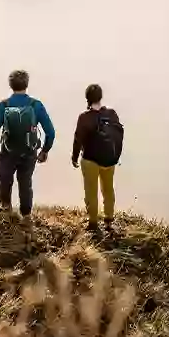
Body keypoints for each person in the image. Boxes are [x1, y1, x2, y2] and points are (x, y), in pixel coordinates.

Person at [0, 70, 55, 218]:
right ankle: (26, 216)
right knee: (25, 184)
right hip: (29, 152)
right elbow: (50, 132)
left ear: (11, 85)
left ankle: (6, 211)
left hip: (7, 151)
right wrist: (44, 150)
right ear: (27, 84)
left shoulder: (4, 105)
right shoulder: (35, 105)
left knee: (5, 181)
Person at [71, 84, 124, 235]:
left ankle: (93, 223)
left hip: (90, 160)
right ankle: (108, 219)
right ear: (100, 97)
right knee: (108, 189)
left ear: (87, 99)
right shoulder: (112, 114)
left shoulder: (84, 118)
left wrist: (74, 157)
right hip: (109, 159)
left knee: (91, 192)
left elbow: (78, 140)